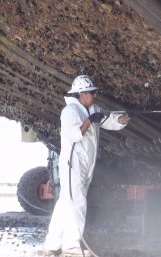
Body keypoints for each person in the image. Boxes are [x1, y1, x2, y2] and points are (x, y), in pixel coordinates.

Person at [44, 75, 130, 256]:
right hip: (72, 165)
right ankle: (72, 245)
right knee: (78, 202)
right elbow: (75, 134)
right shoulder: (70, 112)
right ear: (81, 94)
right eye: (91, 92)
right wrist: (90, 119)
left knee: (65, 203)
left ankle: (51, 244)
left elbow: (108, 120)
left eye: (95, 92)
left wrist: (120, 120)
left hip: (86, 164)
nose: (95, 95)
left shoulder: (93, 108)